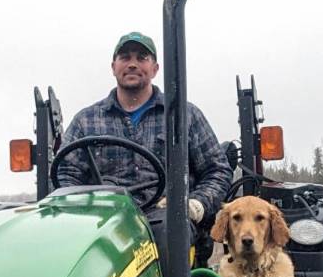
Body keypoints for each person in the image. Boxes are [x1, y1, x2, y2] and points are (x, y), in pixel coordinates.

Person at [58, 32, 231, 228]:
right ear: (113, 67)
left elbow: (217, 170)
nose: (132, 64)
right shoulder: (86, 121)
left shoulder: (184, 114)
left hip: (167, 219)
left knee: (170, 230)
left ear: (155, 69)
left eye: (142, 58)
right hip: (105, 221)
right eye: (125, 57)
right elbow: (66, 174)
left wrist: (197, 204)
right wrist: (81, 209)